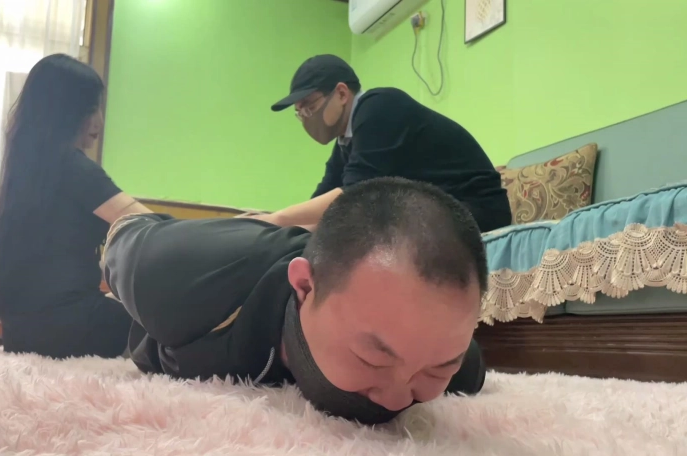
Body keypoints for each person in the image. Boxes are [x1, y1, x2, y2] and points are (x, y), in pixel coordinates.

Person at [102, 177, 487, 425]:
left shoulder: (445, 352)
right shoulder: (175, 273)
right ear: (304, 286)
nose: (397, 399)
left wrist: (440, 373)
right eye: (373, 359)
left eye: (437, 371)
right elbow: (124, 233)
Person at [0, 54, 152, 359]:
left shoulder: (27, 170)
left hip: (20, 335)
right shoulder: (73, 167)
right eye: (91, 108)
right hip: (70, 332)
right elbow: (153, 226)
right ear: (64, 111)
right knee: (171, 320)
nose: (99, 121)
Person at [254, 54, 511, 234]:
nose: (306, 117)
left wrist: (276, 219)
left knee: (365, 228)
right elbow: (324, 202)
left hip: (476, 210)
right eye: (300, 113)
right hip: (435, 212)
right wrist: (272, 227)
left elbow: (352, 196)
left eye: (309, 106)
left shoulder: (380, 107)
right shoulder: (345, 142)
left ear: (341, 93)